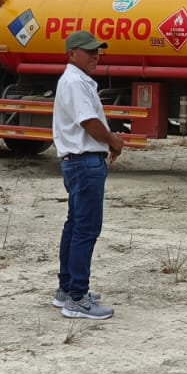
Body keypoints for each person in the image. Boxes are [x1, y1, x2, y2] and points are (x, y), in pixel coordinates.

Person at [50, 30, 124, 320]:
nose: (96, 55)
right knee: (86, 229)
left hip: (78, 161)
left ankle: (67, 289)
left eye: (98, 50)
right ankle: (77, 297)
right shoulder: (75, 82)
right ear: (72, 53)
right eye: (89, 51)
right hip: (84, 163)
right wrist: (112, 140)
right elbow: (89, 122)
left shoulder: (75, 80)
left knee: (75, 226)